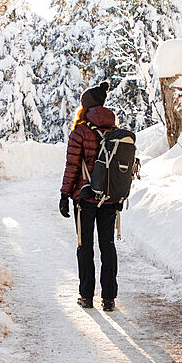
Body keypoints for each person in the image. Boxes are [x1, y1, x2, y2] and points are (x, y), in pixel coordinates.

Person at [59, 81, 120, 311]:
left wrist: (65, 194)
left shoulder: (80, 132)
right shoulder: (115, 131)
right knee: (108, 246)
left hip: (85, 198)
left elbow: (72, 166)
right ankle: (109, 298)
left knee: (85, 246)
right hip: (110, 197)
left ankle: (86, 296)